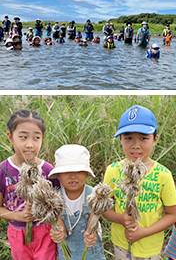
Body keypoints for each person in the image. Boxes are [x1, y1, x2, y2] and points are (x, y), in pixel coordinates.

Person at [103, 104, 176, 260]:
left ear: (155, 139)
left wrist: (143, 232)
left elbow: (172, 214)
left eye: (144, 138)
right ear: (120, 140)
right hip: (121, 245)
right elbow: (103, 208)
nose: (135, 145)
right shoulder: (113, 170)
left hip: (149, 248)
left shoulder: (163, 175)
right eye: (128, 138)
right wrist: (120, 218)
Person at [0, 109, 59, 260]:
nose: (30, 144)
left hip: (45, 232)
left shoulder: (48, 170)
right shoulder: (2, 171)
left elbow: (58, 203)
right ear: (10, 138)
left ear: (42, 139)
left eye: (36, 138)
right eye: (23, 137)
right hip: (17, 233)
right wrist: (18, 216)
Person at [48, 144, 106, 260]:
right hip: (67, 254)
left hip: (92, 253)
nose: (72, 176)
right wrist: (57, 234)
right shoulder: (54, 199)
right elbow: (61, 231)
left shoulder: (95, 196)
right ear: (58, 174)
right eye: (66, 171)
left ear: (86, 173)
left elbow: (92, 226)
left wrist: (91, 235)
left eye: (79, 171)